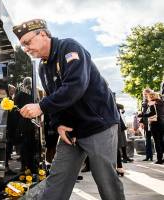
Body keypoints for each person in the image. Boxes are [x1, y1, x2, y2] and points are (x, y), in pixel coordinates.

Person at [12, 19, 125, 200]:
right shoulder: (43, 67)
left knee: (106, 180)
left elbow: (75, 86)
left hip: (98, 124)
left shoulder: (69, 47)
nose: (25, 48)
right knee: (58, 177)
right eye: (23, 45)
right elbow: (54, 97)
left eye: (27, 42)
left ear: (42, 34)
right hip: (71, 130)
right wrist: (58, 124)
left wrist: (41, 106)